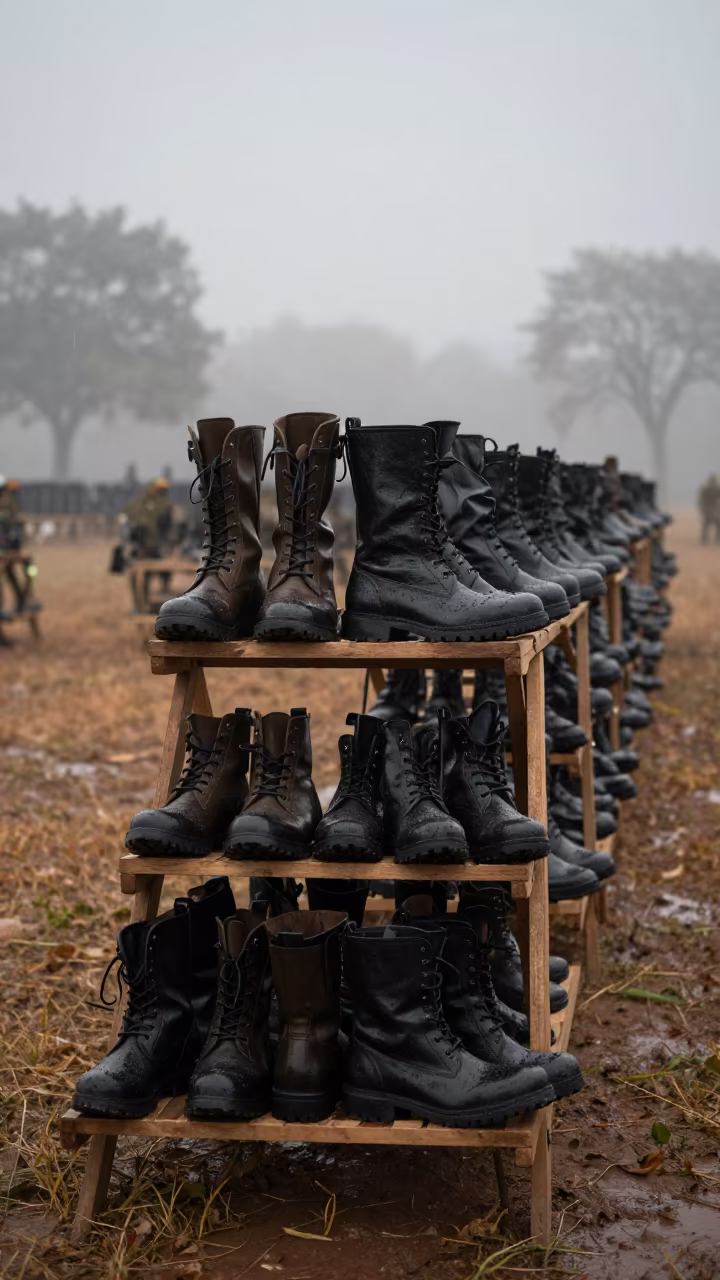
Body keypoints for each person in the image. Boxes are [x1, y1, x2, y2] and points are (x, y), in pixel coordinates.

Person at [698, 474, 720, 544]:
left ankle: (715, 539)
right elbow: (702, 500)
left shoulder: (716, 489)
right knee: (707, 524)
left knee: (715, 524)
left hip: (713, 508)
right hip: (708, 508)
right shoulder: (706, 489)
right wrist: (703, 509)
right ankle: (705, 539)